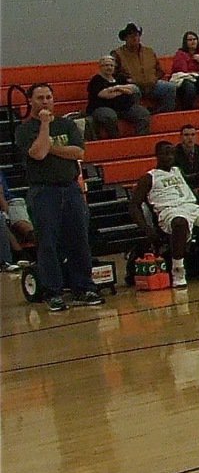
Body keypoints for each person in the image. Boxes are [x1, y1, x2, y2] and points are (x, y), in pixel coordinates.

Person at [14, 84, 101, 312]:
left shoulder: (66, 124)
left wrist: (51, 147)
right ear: (30, 101)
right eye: (40, 98)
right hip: (44, 191)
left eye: (48, 97)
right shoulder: (24, 130)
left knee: (79, 239)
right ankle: (53, 292)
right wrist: (44, 125)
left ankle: (84, 287)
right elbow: (38, 153)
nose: (45, 101)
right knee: (48, 244)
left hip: (70, 188)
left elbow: (78, 153)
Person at [131, 141, 199, 288]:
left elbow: (188, 179)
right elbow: (134, 206)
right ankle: (178, 270)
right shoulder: (149, 177)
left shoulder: (177, 170)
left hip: (192, 208)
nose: (169, 157)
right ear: (157, 155)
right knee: (180, 222)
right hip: (169, 211)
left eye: (172, 153)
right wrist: (147, 229)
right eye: (166, 153)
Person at [112, 22, 185, 111]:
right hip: (132, 86)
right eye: (131, 35)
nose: (135, 38)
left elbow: (159, 71)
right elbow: (113, 74)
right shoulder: (118, 54)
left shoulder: (149, 51)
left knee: (170, 87)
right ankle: (137, 113)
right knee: (133, 90)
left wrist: (154, 79)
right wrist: (126, 80)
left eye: (137, 35)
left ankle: (162, 113)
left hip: (152, 85)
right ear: (125, 38)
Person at [86, 55, 151, 138]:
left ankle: (140, 139)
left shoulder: (120, 77)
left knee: (143, 113)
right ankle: (115, 139)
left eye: (111, 65)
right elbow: (105, 95)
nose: (109, 67)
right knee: (109, 116)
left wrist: (116, 88)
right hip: (102, 108)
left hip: (124, 107)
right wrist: (122, 90)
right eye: (106, 65)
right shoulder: (96, 80)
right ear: (100, 67)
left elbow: (131, 90)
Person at [1, 169, 35, 272]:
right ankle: (21, 256)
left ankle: (45, 251)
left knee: (23, 225)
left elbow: (0, 195)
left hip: (10, 202)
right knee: (2, 222)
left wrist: (6, 214)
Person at [175, 124, 199, 201]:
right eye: (186, 135)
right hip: (184, 186)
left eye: (193, 135)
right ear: (180, 137)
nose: (190, 138)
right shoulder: (174, 153)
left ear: (196, 136)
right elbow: (179, 176)